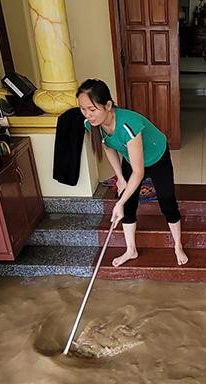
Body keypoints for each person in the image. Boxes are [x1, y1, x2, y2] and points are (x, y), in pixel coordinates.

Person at [76, 79, 188, 267]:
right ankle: (131, 250)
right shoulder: (92, 124)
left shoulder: (128, 124)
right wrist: (120, 178)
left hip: (156, 156)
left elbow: (138, 172)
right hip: (130, 158)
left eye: (92, 109)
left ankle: (177, 245)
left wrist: (118, 202)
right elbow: (108, 146)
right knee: (127, 202)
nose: (87, 114)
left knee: (167, 199)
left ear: (108, 105)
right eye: (82, 109)